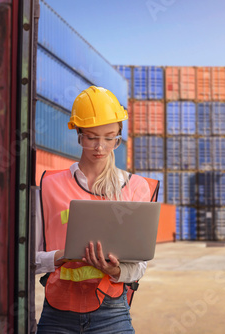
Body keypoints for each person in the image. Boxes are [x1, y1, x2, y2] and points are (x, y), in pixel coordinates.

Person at [35, 86, 159, 333]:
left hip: (112, 313)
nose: (100, 147)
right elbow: (30, 259)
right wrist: (60, 256)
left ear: (118, 138)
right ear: (79, 135)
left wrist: (114, 270)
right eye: (92, 137)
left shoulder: (136, 188)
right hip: (58, 312)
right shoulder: (50, 185)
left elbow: (139, 266)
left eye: (109, 137)